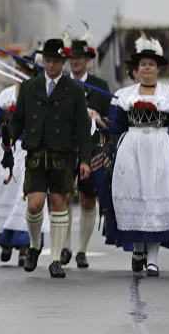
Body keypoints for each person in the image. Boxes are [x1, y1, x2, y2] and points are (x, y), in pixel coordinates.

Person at [102, 34, 169, 276]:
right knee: (135, 196)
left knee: (156, 200)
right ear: (137, 69)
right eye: (143, 64)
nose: (146, 68)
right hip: (131, 151)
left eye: (151, 64)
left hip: (160, 150)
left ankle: (153, 258)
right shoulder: (125, 95)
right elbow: (116, 126)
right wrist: (100, 122)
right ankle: (138, 248)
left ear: (158, 68)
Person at [7, 37, 92, 279]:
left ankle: (56, 259)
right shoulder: (29, 87)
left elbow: (82, 129)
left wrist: (84, 159)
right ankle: (35, 245)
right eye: (48, 61)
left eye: (56, 61)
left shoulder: (74, 90)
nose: (51, 65)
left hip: (63, 154)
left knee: (59, 204)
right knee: (34, 204)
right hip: (35, 152)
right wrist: (10, 137)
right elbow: (18, 120)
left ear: (63, 63)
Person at [0, 50, 43, 267]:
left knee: (25, 196)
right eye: (17, 69)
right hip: (8, 150)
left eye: (23, 70)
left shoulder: (39, 94)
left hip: (30, 150)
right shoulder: (5, 95)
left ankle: (24, 247)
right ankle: (5, 241)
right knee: (3, 194)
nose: (18, 73)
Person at [60, 28, 112, 269]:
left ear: (88, 60)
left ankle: (81, 249)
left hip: (91, 149)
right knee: (62, 197)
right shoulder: (60, 84)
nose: (76, 61)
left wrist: (98, 117)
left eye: (80, 58)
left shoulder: (100, 87)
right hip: (65, 147)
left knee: (88, 199)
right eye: (72, 58)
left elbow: (111, 122)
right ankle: (65, 247)